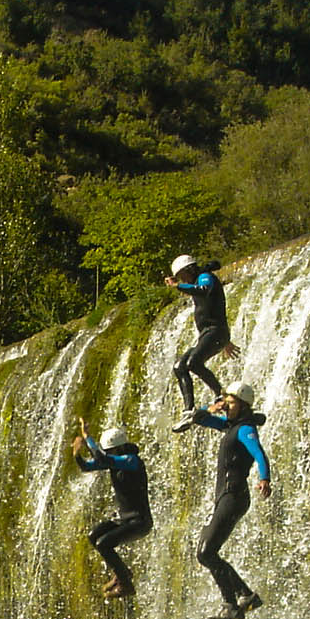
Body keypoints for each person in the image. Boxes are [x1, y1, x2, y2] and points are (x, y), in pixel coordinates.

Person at [188, 381, 272, 619]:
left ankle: (231, 605)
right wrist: (213, 406)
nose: (226, 406)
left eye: (231, 402)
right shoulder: (229, 426)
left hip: (234, 496)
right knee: (205, 553)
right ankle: (245, 595)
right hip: (225, 497)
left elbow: (259, 453)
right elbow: (199, 418)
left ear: (243, 405)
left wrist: (264, 478)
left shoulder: (245, 429)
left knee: (206, 552)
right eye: (226, 401)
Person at [71, 420, 152, 599]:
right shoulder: (115, 462)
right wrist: (77, 454)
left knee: (104, 543)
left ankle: (126, 584)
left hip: (139, 521)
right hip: (124, 518)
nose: (108, 454)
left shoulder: (132, 461)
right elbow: (87, 466)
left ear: (120, 448)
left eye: (110, 451)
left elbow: (102, 459)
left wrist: (87, 438)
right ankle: (122, 574)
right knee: (94, 536)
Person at [163, 254, 236, 430]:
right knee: (179, 367)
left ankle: (220, 394)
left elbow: (203, 289)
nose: (182, 279)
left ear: (189, 270)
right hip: (208, 335)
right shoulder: (197, 280)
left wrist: (178, 285)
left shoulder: (205, 276)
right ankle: (188, 409)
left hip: (216, 332)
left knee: (193, 363)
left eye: (183, 276)